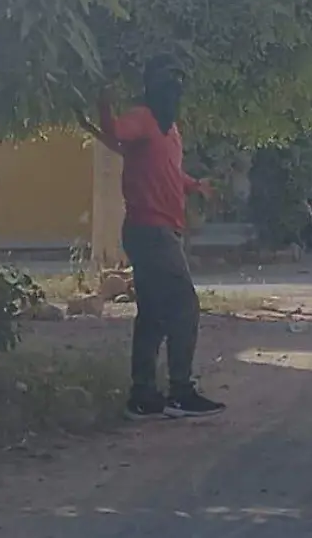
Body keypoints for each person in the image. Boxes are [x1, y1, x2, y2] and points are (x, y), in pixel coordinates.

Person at [94, 54, 226, 420]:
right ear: (153, 87)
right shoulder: (142, 117)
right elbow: (114, 134)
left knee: (153, 314)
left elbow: (168, 172)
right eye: (168, 82)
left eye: (178, 83)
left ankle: (143, 395)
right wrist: (103, 100)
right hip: (150, 230)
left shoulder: (170, 129)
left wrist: (194, 185)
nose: (175, 89)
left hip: (163, 228)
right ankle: (180, 392)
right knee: (184, 305)